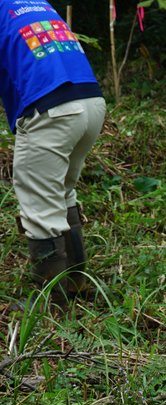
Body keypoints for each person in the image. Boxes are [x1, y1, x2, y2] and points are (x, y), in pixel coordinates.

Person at [0, 1, 106, 300]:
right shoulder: (35, 3)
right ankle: (76, 283)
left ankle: (52, 303)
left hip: (52, 109)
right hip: (91, 102)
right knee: (61, 191)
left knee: (38, 207)